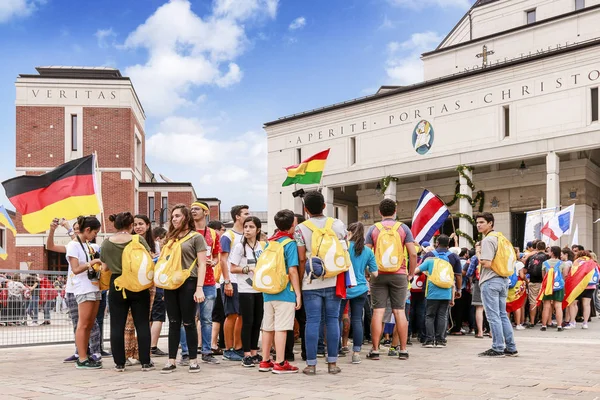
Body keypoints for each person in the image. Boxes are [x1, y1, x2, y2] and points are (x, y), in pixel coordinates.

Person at [295, 190, 346, 375]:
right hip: (334, 279)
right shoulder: (338, 224)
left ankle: (311, 364)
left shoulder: (301, 228)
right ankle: (332, 364)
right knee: (333, 320)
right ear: (325, 206)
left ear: (306, 209)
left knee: (312, 322)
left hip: (311, 282)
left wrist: (301, 282)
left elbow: (301, 258)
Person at [101, 212, 154, 372]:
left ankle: (119, 363)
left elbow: (104, 267)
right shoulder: (138, 239)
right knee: (142, 324)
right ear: (131, 225)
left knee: (117, 325)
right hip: (138, 284)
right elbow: (148, 260)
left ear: (115, 225)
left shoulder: (106, 243)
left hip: (117, 284)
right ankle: (145, 362)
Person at [365, 198, 417, 361]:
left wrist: (369, 272)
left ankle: (375, 350)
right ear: (395, 212)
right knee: (399, 311)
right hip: (399, 273)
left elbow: (367, 253)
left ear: (380, 212)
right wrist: (410, 273)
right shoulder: (403, 228)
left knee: (378, 311)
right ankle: (402, 350)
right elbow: (413, 252)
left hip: (378, 274)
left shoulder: (373, 229)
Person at [160, 204, 208, 374]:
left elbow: (203, 263)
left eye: (178, 215)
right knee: (173, 322)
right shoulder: (169, 238)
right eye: (173, 216)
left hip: (189, 282)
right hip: (170, 283)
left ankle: (193, 360)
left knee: (188, 322)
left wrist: (199, 288)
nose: (174, 218)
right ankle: (171, 360)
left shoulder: (196, 237)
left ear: (186, 218)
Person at [259, 209, 302, 374]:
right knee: (282, 328)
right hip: (284, 291)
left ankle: (265, 361)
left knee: (268, 327)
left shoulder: (270, 242)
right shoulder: (289, 243)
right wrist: (298, 293)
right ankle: (280, 362)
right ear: (292, 225)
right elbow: (292, 270)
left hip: (268, 292)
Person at [476, 212, 518, 358]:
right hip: (503, 279)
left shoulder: (488, 240)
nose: (479, 225)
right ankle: (511, 347)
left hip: (490, 280)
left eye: (482, 222)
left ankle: (498, 347)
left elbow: (486, 263)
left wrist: (477, 253)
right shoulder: (501, 238)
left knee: (493, 316)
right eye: (477, 223)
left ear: (490, 223)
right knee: (502, 315)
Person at [118, 214, 158, 366]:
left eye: (141, 223)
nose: (138, 227)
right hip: (130, 283)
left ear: (148, 225)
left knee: (144, 320)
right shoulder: (128, 241)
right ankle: (127, 354)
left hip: (149, 284)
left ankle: (143, 354)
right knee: (129, 320)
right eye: (135, 224)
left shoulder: (155, 244)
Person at [66, 215, 103, 369]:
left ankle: (86, 354)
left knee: (89, 323)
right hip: (83, 287)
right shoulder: (73, 245)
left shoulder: (87, 244)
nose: (95, 236)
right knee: (83, 323)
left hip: (93, 286)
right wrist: (92, 262)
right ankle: (81, 358)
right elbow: (75, 269)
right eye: (95, 233)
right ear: (87, 230)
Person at [230, 216, 264, 367]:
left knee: (258, 321)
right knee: (248, 321)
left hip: (260, 288)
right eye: (246, 227)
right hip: (245, 289)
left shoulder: (261, 246)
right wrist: (248, 269)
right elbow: (232, 268)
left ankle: (254, 351)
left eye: (251, 227)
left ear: (258, 229)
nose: (248, 230)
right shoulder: (239, 247)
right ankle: (246, 354)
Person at [190, 202, 221, 365]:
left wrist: (214, 262)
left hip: (209, 280)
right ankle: (187, 352)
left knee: (206, 318)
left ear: (206, 212)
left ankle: (207, 351)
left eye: (196, 209)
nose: (193, 211)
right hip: (189, 280)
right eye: (192, 209)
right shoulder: (187, 232)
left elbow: (217, 255)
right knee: (187, 318)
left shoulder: (213, 234)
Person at [342, 222, 378, 364]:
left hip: (344, 288)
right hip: (361, 288)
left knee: (337, 318)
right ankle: (356, 352)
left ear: (349, 232)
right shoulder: (368, 251)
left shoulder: (344, 247)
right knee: (357, 319)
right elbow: (375, 273)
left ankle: (337, 348)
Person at [219, 205, 249, 362]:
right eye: (246, 213)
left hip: (244, 282)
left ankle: (238, 347)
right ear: (238, 216)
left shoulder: (246, 235)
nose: (248, 216)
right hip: (231, 280)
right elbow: (223, 260)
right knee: (231, 315)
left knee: (241, 316)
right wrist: (227, 281)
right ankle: (228, 348)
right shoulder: (228, 236)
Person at [285, 213, 307, 362]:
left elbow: (300, 262)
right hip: (294, 284)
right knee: (291, 320)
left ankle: (297, 352)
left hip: (299, 284)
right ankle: (289, 352)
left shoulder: (294, 242)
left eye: (293, 224)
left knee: (301, 320)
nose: (291, 226)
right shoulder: (290, 241)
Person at [565, 250, 599, 330]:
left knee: (573, 304)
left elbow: (573, 274)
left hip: (578, 286)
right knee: (586, 304)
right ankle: (585, 323)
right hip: (591, 286)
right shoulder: (593, 262)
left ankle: (572, 322)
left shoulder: (577, 261)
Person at [208, 219, 227, 355]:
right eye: (222, 230)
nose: (223, 232)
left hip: (210, 283)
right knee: (217, 316)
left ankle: (205, 343)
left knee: (208, 316)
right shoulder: (217, 245)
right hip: (216, 284)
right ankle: (213, 344)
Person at [150, 227, 168, 357]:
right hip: (159, 286)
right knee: (158, 317)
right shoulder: (159, 252)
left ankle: (148, 344)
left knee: (151, 316)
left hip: (148, 286)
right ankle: (153, 345)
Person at [539, 246, 564, 332]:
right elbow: (564, 276)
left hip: (547, 287)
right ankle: (559, 326)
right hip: (559, 287)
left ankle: (544, 325)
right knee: (558, 306)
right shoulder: (562, 263)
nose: (548, 252)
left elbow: (543, 277)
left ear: (552, 252)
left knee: (546, 306)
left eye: (549, 251)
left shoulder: (545, 263)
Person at [524, 241, 548, 328]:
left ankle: (532, 321)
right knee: (545, 302)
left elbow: (525, 270)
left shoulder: (531, 257)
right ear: (544, 248)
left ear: (536, 248)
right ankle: (544, 320)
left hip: (533, 281)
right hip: (544, 282)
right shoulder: (547, 256)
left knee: (532, 302)